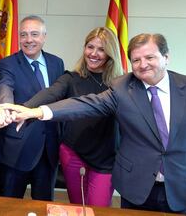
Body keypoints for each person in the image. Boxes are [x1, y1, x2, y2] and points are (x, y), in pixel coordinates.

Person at [1, 33, 186, 214]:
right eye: (136, 60)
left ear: (166, 57)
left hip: (176, 183)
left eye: (150, 57)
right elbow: (84, 104)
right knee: (82, 208)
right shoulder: (122, 87)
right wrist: (33, 111)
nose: (143, 65)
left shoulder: (184, 87)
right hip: (132, 183)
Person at [24, 27, 123, 206]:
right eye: (90, 47)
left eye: (101, 49)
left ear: (111, 53)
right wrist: (24, 109)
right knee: (77, 206)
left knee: (97, 209)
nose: (93, 54)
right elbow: (50, 93)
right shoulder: (71, 78)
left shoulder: (120, 83)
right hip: (73, 152)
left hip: (105, 158)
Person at [0, 15, 65, 200]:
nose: (29, 40)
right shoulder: (8, 63)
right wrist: (6, 109)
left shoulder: (57, 63)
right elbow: (5, 87)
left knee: (44, 204)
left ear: (44, 37)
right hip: (18, 146)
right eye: (23, 35)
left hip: (49, 149)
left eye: (34, 34)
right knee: (10, 206)